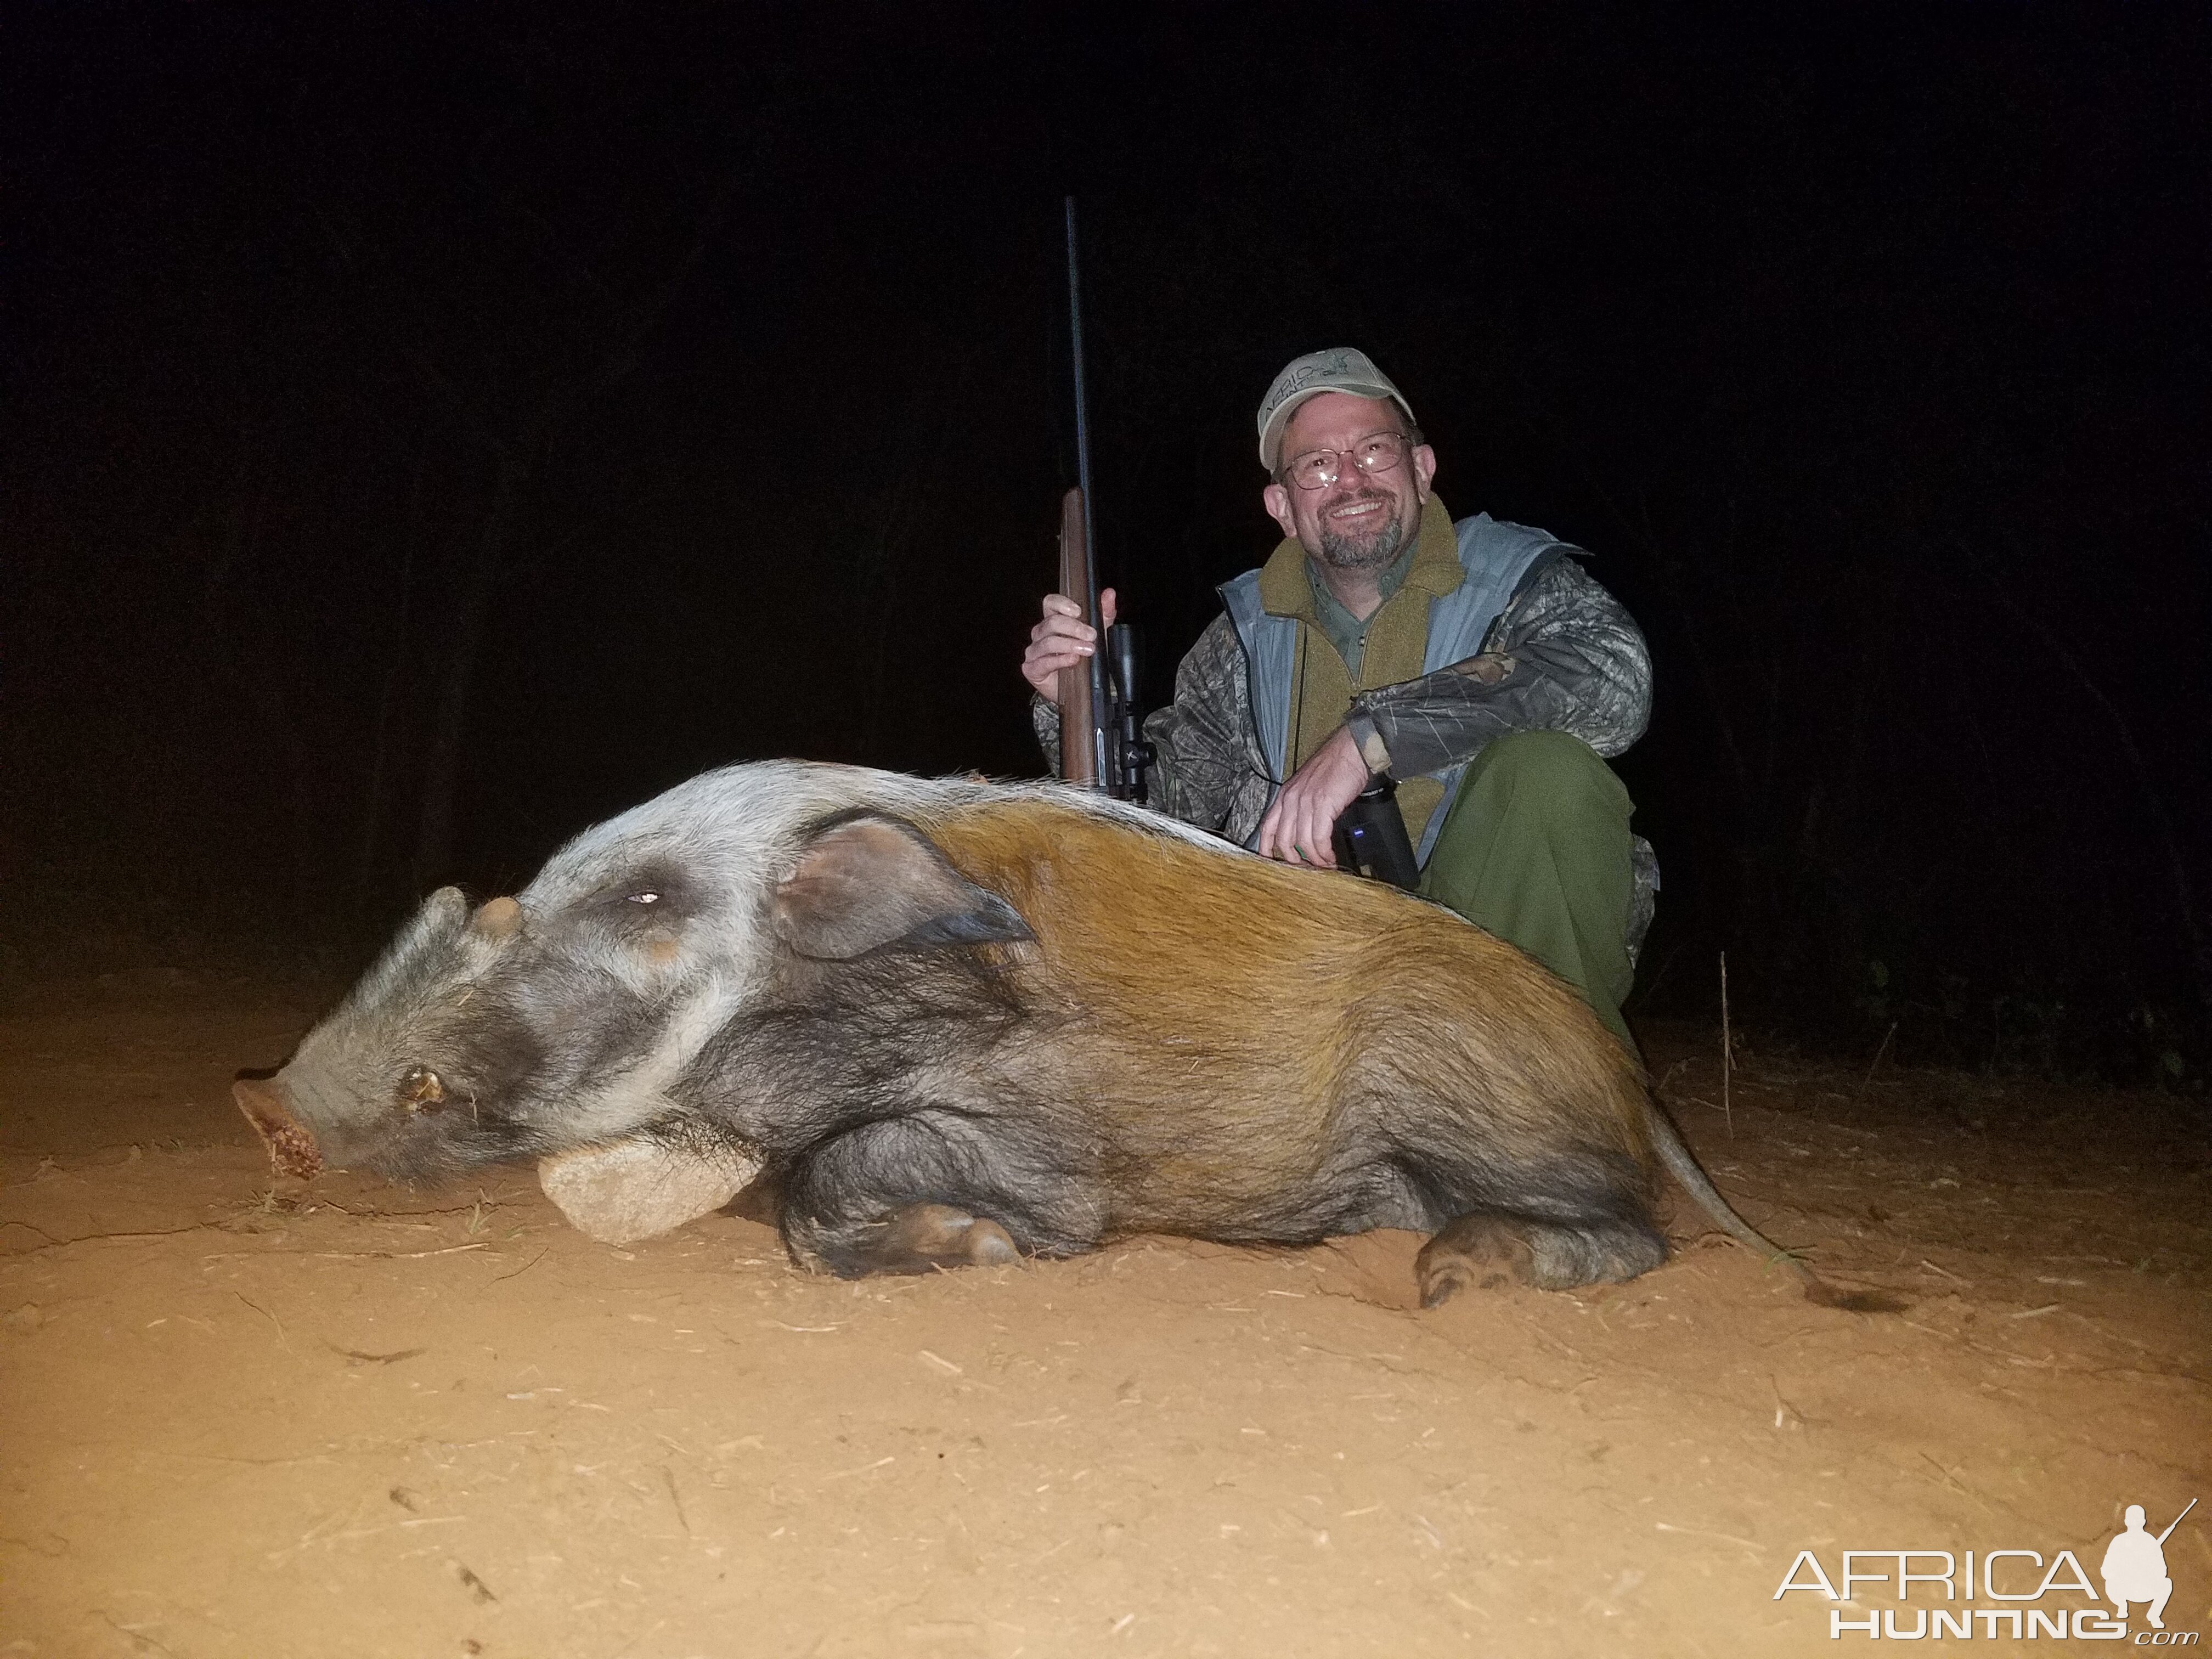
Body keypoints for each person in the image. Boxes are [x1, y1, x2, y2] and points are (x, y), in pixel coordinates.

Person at [1023, 347, 1656, 1051]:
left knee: (1550, 775)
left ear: (1421, 469)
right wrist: (1078, 707)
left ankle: (1566, 1089)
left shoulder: (1516, 577)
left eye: (1374, 450)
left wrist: (1368, 738)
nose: (1350, 479)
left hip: (1490, 941)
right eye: (1316, 465)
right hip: (1311, 960)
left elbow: (1614, 681)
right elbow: (1165, 818)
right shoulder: (1240, 636)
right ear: (1283, 507)